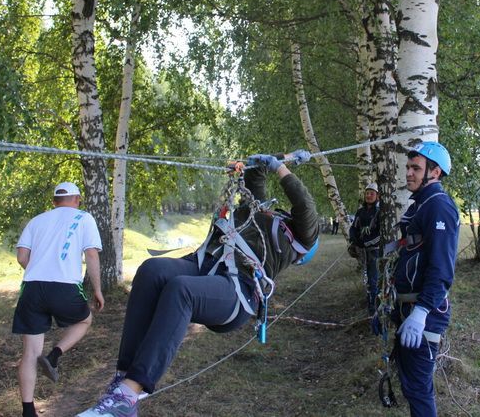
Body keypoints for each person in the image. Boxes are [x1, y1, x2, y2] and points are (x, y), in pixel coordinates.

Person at [77, 151, 319, 417]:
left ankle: (130, 394)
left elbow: (304, 204)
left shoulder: (299, 240)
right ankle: (123, 379)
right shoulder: (260, 212)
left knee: (182, 290)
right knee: (152, 270)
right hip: (205, 265)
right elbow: (254, 178)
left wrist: (281, 168)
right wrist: (263, 161)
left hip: (238, 291)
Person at [12, 182, 104, 417]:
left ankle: (28, 410)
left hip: (32, 288)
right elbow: (91, 254)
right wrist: (97, 290)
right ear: (77, 199)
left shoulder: (37, 220)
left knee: (30, 353)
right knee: (84, 321)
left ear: (54, 201)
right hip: (65, 287)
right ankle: (54, 355)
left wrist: (38, 270)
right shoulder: (84, 218)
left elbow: (22, 256)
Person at [391, 142, 458, 417]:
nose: (408, 173)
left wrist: (420, 312)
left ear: (435, 172)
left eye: (416, 168)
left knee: (419, 389)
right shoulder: (421, 205)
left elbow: (441, 269)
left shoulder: (439, 207)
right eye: (408, 167)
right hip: (408, 307)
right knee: (411, 386)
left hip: (424, 312)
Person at [349, 182, 383, 315]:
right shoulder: (360, 212)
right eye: (367, 193)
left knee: (374, 279)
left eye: (372, 193)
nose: (369, 196)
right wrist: (354, 239)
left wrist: (366, 243)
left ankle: (374, 309)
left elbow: (380, 234)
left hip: (374, 251)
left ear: (377, 196)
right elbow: (354, 227)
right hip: (362, 251)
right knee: (367, 278)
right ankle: (369, 303)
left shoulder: (380, 212)